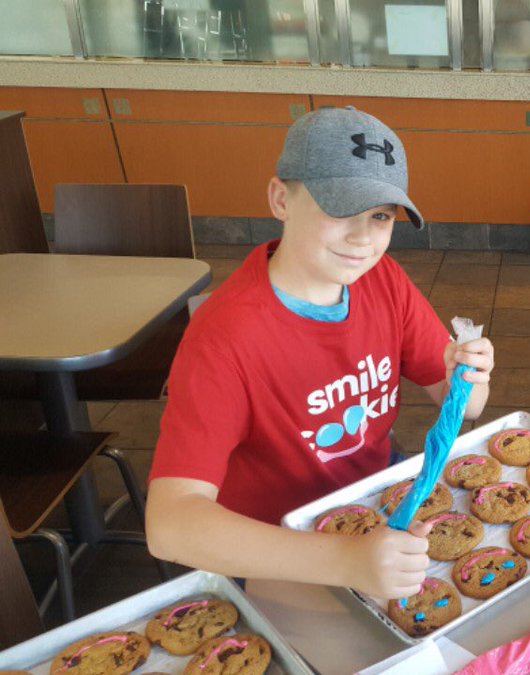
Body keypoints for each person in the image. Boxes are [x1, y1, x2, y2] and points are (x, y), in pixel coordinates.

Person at [145, 108, 494, 601]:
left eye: (380, 216)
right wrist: (348, 561)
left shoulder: (383, 281)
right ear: (281, 198)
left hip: (376, 506)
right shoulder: (223, 337)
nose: (363, 238)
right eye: (339, 209)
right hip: (283, 544)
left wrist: (470, 374)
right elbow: (170, 524)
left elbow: (467, 405)